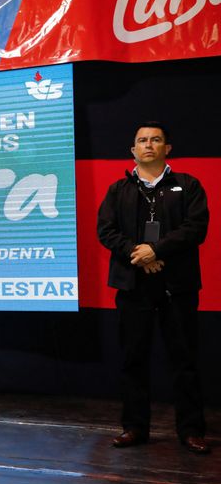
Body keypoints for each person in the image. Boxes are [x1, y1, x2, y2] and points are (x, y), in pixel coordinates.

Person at [97, 121, 210, 454]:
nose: (149, 145)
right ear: (133, 150)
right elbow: (106, 231)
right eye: (142, 140)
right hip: (134, 287)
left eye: (156, 140)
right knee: (133, 360)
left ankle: (191, 430)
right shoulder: (118, 190)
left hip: (178, 287)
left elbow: (195, 229)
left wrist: (156, 250)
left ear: (167, 148)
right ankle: (134, 427)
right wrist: (140, 254)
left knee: (185, 360)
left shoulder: (188, 186)